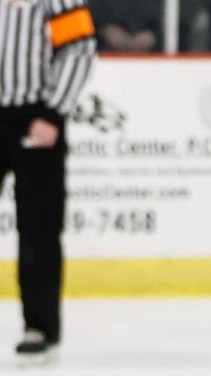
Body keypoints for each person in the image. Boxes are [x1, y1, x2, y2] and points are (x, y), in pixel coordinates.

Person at [0, 0, 97, 357]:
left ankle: (39, 326)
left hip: (35, 116)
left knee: (39, 227)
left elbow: (79, 49)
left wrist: (53, 111)